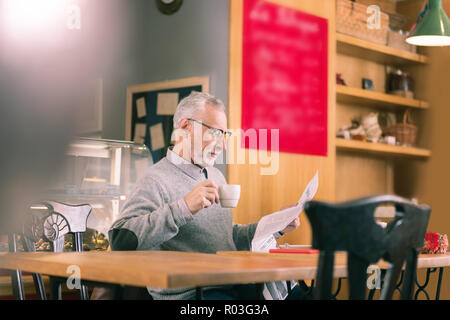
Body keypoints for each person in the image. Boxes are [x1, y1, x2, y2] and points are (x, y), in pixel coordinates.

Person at [108, 92, 306, 300]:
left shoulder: (215, 176)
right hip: (194, 294)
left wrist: (275, 226)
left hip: (233, 284)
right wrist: (183, 208)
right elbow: (120, 239)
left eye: (225, 135)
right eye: (215, 132)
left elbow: (225, 238)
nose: (222, 145)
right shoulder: (155, 179)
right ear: (185, 127)